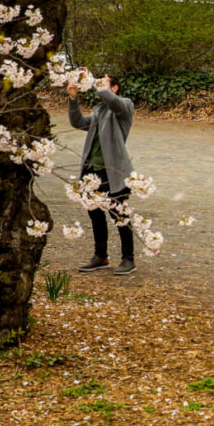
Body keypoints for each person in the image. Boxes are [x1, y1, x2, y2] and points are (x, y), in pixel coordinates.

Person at [68, 72, 137, 275]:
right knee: (95, 215)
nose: (99, 85)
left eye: (105, 82)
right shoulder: (99, 110)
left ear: (114, 88)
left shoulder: (124, 106)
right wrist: (73, 98)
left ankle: (128, 259)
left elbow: (113, 102)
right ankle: (101, 256)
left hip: (113, 172)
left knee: (120, 215)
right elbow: (78, 122)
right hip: (92, 172)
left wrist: (96, 82)